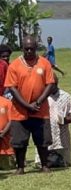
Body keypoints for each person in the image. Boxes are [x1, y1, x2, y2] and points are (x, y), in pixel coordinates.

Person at [5, 36, 56, 174]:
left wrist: (38, 102)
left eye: (31, 49)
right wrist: (27, 106)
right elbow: (12, 88)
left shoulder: (44, 63)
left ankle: (45, 165)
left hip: (40, 109)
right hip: (19, 110)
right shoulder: (14, 65)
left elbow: (50, 84)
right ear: (22, 48)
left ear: (36, 48)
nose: (29, 51)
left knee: (42, 140)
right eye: (26, 49)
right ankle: (20, 167)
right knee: (19, 141)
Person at [46, 75, 71, 168]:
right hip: (47, 133)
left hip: (62, 134)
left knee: (64, 162)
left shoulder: (66, 96)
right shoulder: (42, 97)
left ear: (55, 84)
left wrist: (65, 120)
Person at [0, 95, 13, 170]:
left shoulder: (7, 102)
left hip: (6, 149)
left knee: (7, 167)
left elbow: (12, 120)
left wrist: (2, 134)